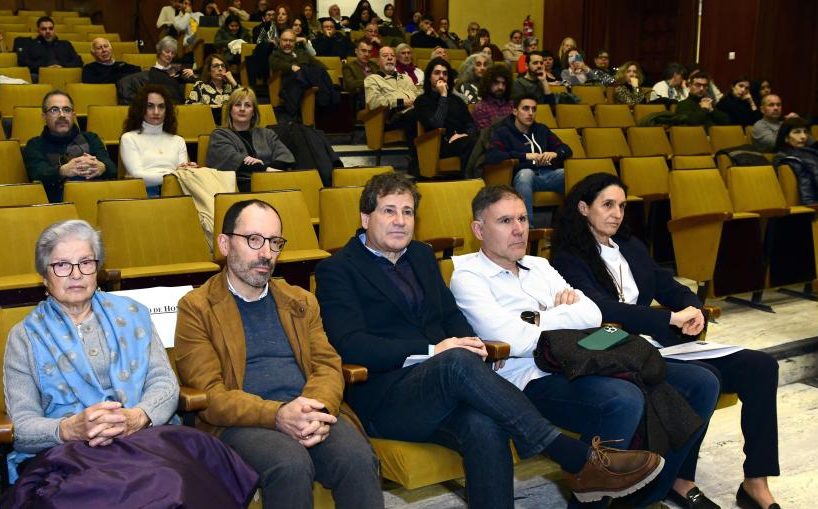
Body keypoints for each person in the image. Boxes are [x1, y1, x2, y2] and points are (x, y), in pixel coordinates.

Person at [314, 172, 666, 507]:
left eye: (407, 212)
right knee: (454, 360)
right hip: (386, 398)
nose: (400, 221)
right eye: (388, 211)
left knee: (486, 425)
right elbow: (351, 343)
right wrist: (435, 350)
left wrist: (472, 343)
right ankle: (573, 457)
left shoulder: (420, 255)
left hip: (446, 387)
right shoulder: (337, 269)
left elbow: (449, 315)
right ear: (365, 218)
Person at [453, 184, 722, 509]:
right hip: (528, 379)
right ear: (479, 229)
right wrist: (560, 314)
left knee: (703, 383)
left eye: (523, 219)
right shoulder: (467, 275)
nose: (519, 229)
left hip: (584, 359)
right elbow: (512, 340)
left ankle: (644, 498)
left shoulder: (539, 265)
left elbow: (592, 312)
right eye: (505, 221)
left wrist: (538, 319)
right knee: (622, 399)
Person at [550, 173, 782, 509]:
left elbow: (665, 282)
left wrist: (693, 307)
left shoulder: (630, 246)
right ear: (584, 208)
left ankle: (755, 482)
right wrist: (667, 319)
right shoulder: (567, 257)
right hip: (611, 346)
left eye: (622, 206)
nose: (617, 213)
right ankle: (680, 478)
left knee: (761, 367)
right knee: (705, 378)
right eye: (608, 205)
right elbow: (600, 310)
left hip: (656, 341)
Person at [3, 219, 258, 508]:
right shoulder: (24, 337)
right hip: (69, 454)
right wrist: (70, 428)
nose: (76, 274)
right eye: (62, 265)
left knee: (177, 479)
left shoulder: (132, 315)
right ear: (44, 276)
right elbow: (22, 428)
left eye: (86, 262)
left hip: (142, 438)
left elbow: (163, 382)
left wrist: (138, 416)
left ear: (97, 270)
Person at [174, 200, 384, 509]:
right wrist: (278, 414)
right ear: (224, 243)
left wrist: (315, 408)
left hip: (309, 411)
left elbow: (327, 365)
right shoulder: (197, 307)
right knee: (289, 464)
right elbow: (210, 395)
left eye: (275, 242)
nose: (266, 254)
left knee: (356, 457)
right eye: (254, 240)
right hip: (241, 423)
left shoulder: (299, 301)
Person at [487, 94, 571, 226]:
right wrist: (525, 156)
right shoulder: (503, 132)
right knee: (526, 173)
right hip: (521, 178)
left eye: (533, 109)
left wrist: (554, 154)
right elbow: (493, 155)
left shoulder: (541, 130)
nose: (530, 113)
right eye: (525, 108)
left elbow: (566, 149)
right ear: (515, 111)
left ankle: (570, 227)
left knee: (569, 175)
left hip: (546, 175)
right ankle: (527, 229)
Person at [22, 90, 116, 202]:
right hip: (56, 205)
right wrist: (63, 171)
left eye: (66, 110)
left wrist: (101, 166)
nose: (62, 115)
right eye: (54, 110)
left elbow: (112, 168)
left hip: (97, 197)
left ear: (73, 115)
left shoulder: (91, 138)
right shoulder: (35, 145)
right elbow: (38, 173)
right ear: (44, 117)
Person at [207, 87, 295, 191]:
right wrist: (266, 169)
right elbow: (232, 162)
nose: (242, 109)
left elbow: (285, 158)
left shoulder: (267, 134)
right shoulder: (219, 135)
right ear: (230, 110)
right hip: (237, 187)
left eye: (247, 105)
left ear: (253, 112)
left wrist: (263, 166)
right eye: (238, 105)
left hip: (273, 182)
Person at [121, 84, 195, 196]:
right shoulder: (129, 138)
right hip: (144, 196)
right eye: (150, 106)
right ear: (141, 108)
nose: (156, 112)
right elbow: (137, 177)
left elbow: (183, 176)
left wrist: (185, 172)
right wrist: (174, 173)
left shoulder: (178, 140)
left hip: (175, 194)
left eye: (161, 107)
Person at [415, 57, 477, 170]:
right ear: (429, 77)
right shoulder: (422, 100)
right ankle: (468, 179)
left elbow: (471, 124)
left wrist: (464, 135)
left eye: (445, 73)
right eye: (437, 73)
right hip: (437, 144)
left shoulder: (457, 100)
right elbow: (436, 125)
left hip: (461, 140)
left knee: (482, 140)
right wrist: (443, 95)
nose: (441, 76)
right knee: (472, 144)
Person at [186, 53, 240, 123]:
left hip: (230, 127)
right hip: (207, 126)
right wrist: (209, 107)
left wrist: (233, 82)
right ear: (209, 70)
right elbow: (188, 106)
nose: (220, 69)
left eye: (223, 66)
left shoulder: (231, 86)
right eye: (216, 66)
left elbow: (245, 102)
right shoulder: (200, 86)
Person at [148, 35, 197, 103]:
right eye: (167, 51)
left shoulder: (177, 69)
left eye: (173, 53)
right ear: (159, 51)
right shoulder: (152, 71)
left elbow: (196, 80)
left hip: (179, 104)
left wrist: (193, 75)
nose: (170, 55)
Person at [472, 63, 514, 129]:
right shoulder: (481, 107)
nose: (500, 87)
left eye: (504, 83)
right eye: (496, 83)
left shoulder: (511, 104)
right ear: (488, 83)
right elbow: (486, 135)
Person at [343, 39, 379, 110]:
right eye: (363, 51)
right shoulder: (349, 66)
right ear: (356, 51)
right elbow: (351, 84)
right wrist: (370, 82)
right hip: (361, 97)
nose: (367, 54)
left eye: (369, 52)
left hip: (378, 94)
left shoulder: (374, 65)